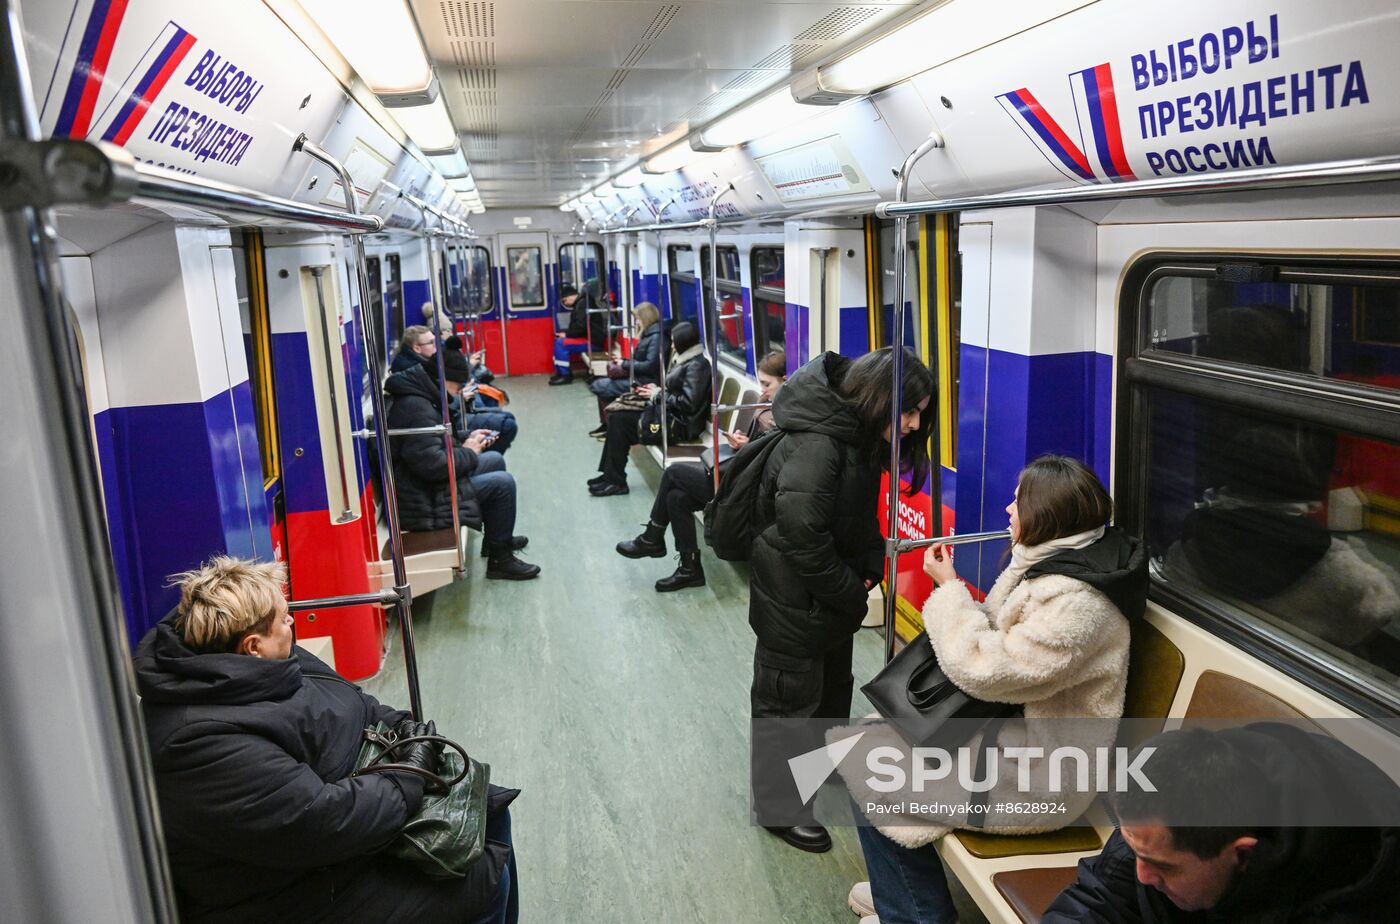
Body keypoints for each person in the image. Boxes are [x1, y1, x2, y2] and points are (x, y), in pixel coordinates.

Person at [840, 455, 1148, 924]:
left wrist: (947, 591)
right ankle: (899, 894)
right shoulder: (1056, 565)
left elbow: (982, 667)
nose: (1008, 510)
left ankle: (915, 913)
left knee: (869, 766)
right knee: (866, 740)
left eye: (1018, 502)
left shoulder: (1080, 607)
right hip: (1012, 740)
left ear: (1047, 518)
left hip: (1046, 776)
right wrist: (955, 591)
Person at [134, 556, 520, 923]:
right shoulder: (197, 742)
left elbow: (354, 701)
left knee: (490, 810)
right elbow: (320, 822)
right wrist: (407, 778)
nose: (291, 621)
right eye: (282, 619)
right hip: (288, 892)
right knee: (483, 879)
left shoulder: (264, 659)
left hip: (353, 809)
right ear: (253, 645)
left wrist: (404, 729)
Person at [747, 348, 933, 853]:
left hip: (824, 597)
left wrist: (871, 565)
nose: (915, 424)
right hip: (792, 597)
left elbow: (855, 520)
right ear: (881, 399)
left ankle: (815, 771)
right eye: (910, 411)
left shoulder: (854, 437)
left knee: (829, 690)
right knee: (787, 700)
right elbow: (801, 536)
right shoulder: (819, 445)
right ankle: (777, 806)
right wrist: (852, 592)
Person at [1043, 723, 1400, 922]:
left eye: (1162, 867)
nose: (1143, 876)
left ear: (1243, 855)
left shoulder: (1361, 896)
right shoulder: (1166, 804)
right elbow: (1099, 901)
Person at [616, 349, 787, 591]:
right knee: (677, 498)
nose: (762, 389)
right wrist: (745, 442)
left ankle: (652, 537)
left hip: (747, 490)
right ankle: (689, 569)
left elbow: (773, 462)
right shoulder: (767, 405)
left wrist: (748, 444)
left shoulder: (783, 416)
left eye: (767, 384)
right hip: (742, 475)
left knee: (674, 473)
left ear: (786, 380)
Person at [385, 349, 539, 580]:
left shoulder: (423, 398)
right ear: (443, 380)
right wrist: (468, 451)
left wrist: (468, 437)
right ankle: (500, 561)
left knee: (494, 460)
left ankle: (496, 540)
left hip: (422, 486)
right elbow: (432, 466)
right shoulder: (417, 408)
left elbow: (434, 443)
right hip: (422, 502)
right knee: (502, 484)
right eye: (457, 386)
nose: (458, 391)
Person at [588, 320, 710, 496]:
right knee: (617, 416)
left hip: (679, 425)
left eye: (675, 341)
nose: (672, 345)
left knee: (621, 422)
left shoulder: (697, 366)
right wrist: (656, 392)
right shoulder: (686, 361)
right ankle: (610, 475)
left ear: (683, 342)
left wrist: (657, 394)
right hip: (668, 414)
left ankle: (616, 481)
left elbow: (688, 403)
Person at [587, 302, 665, 436]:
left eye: (638, 319)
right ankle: (607, 424)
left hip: (645, 382)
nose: (637, 322)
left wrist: (624, 364)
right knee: (600, 385)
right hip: (638, 377)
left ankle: (610, 427)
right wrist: (624, 362)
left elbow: (650, 365)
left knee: (601, 386)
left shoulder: (655, 337)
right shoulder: (649, 335)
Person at [549, 282, 609, 385]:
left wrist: (567, 334)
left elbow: (581, 326)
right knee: (558, 341)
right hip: (588, 337)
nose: (565, 303)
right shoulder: (581, 303)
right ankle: (560, 372)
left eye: (565, 300)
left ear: (571, 296)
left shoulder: (583, 304)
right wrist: (567, 333)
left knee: (561, 344)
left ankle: (565, 376)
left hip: (593, 341)